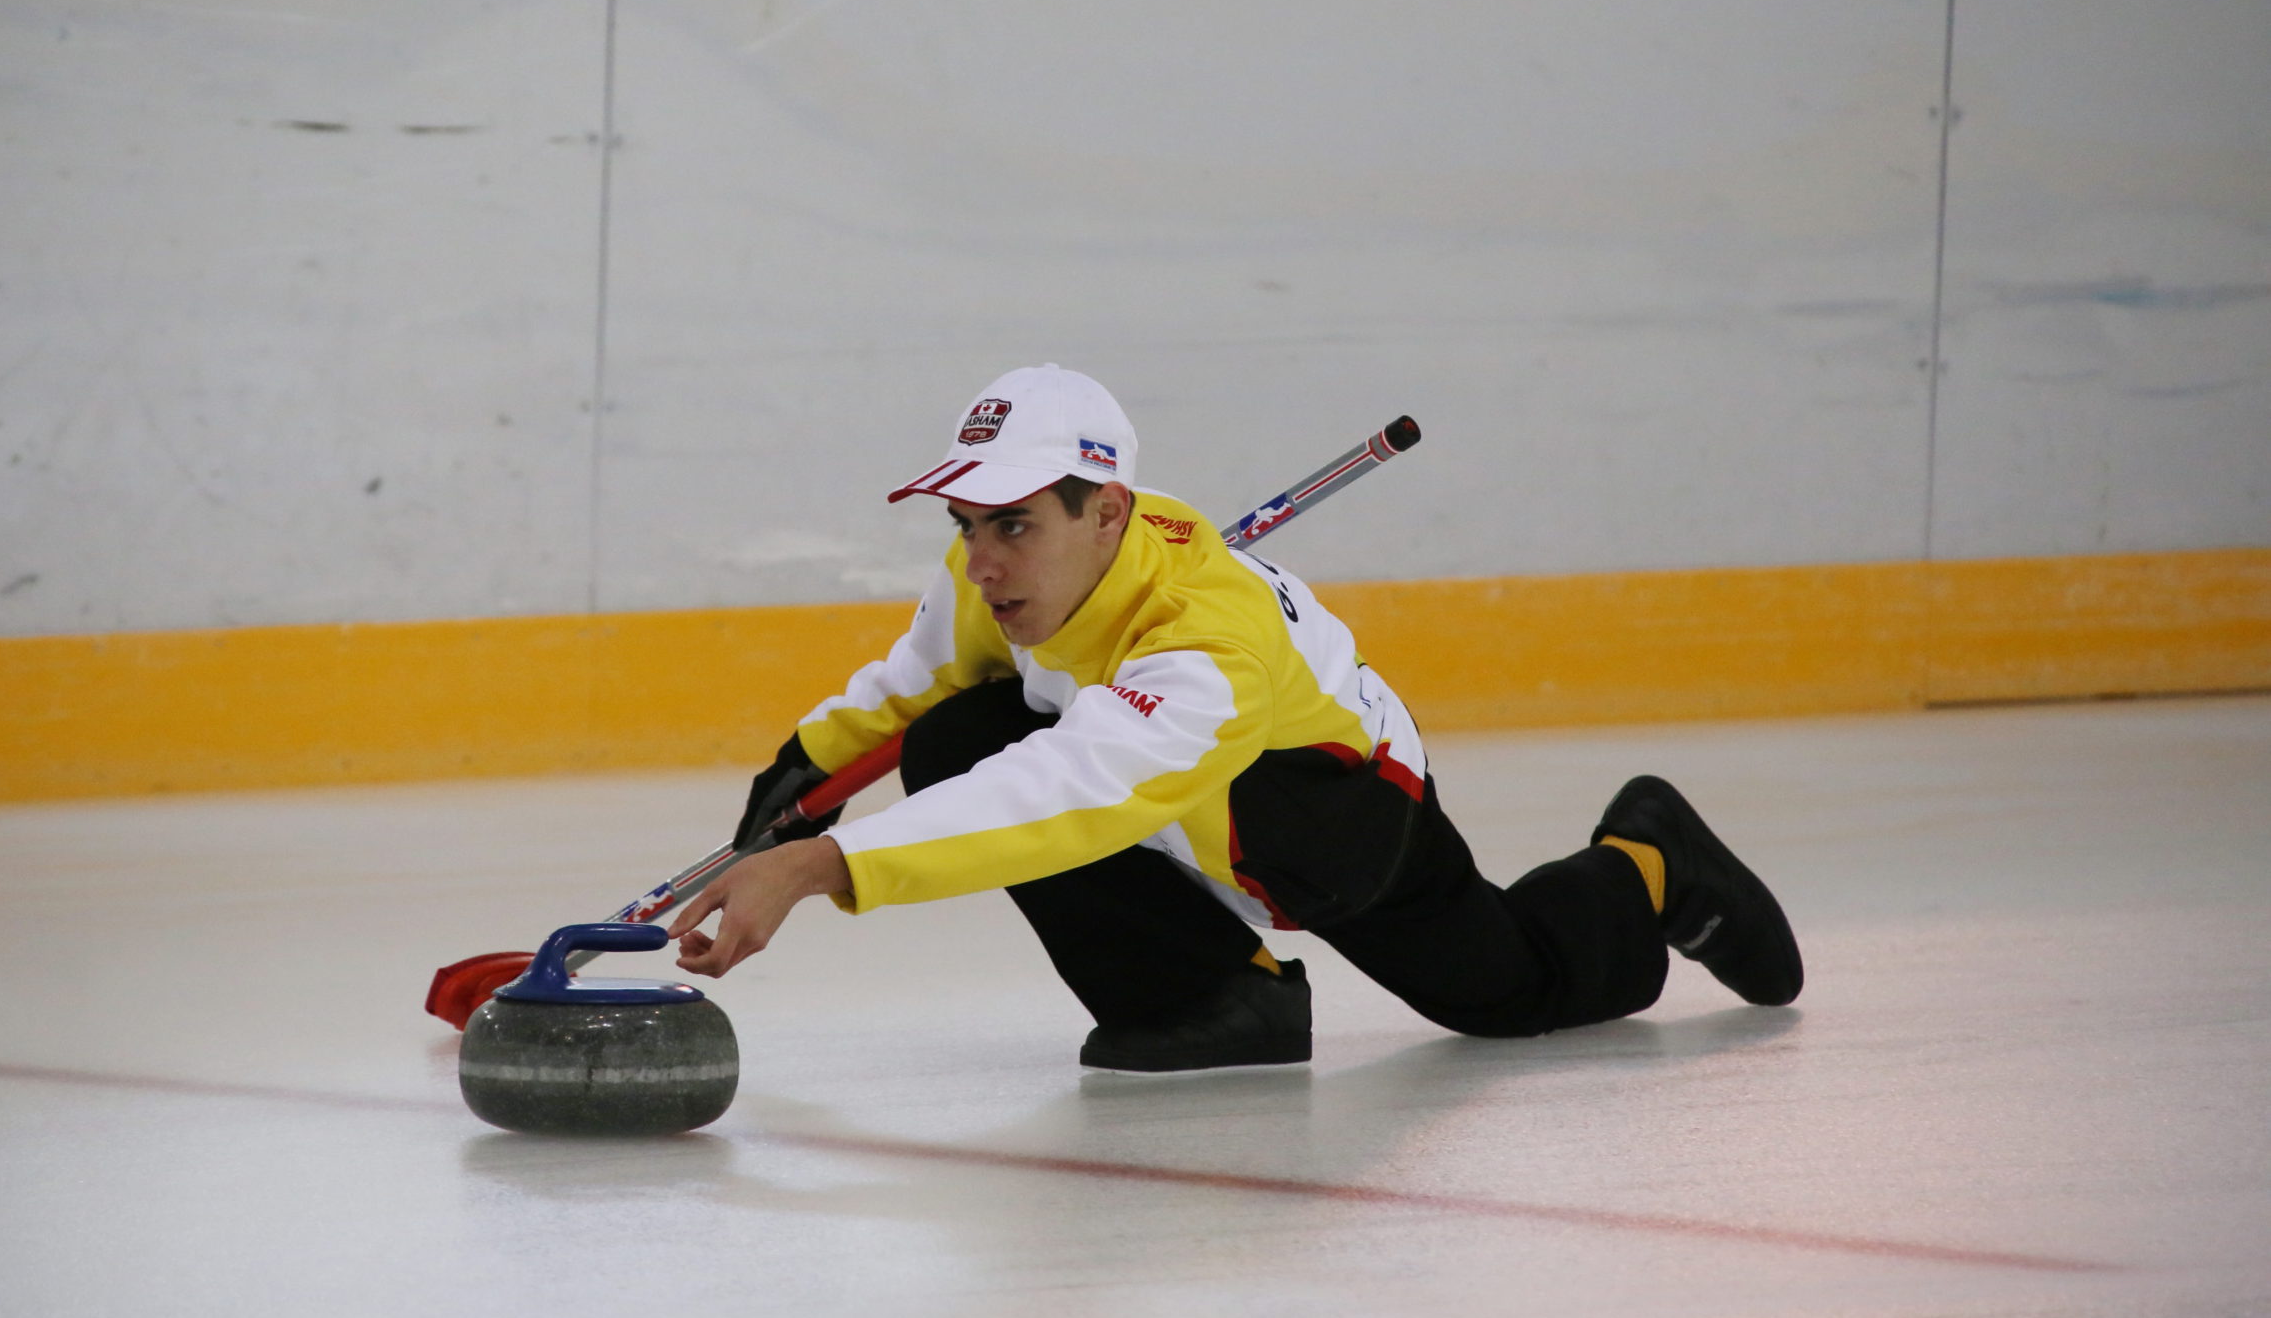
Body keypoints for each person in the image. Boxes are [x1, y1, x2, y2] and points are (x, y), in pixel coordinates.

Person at [669, 365, 1802, 1072]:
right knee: (951, 735)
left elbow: (1077, 788)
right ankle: (1219, 1002)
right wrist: (798, 778)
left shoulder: (1208, 642)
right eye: (967, 521)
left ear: (1104, 508)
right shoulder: (992, 569)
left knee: (1506, 994)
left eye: (1009, 524)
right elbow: (913, 682)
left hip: (1338, 812)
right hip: (1184, 800)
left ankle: (1647, 859)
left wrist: (823, 862)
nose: (979, 556)